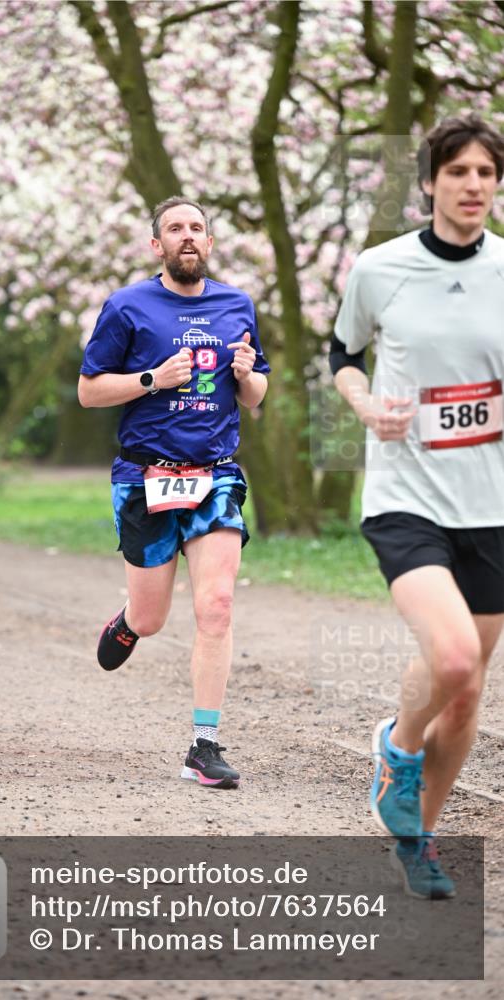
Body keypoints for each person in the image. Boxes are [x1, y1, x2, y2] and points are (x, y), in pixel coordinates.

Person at [331, 114, 504, 897]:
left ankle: (417, 842)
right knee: (455, 656)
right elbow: (343, 352)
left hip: (490, 503)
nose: (472, 185)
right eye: (457, 171)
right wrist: (365, 405)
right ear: (429, 182)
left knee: (464, 695)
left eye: (485, 172)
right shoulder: (381, 268)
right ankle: (396, 748)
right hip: (405, 497)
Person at [78, 196, 269, 789]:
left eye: (197, 227)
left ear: (209, 242)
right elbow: (88, 391)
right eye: (175, 228)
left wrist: (247, 376)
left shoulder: (237, 305)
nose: (188, 236)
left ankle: (202, 747)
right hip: (145, 476)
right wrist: (151, 379)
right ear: (156, 245)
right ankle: (131, 620)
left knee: (217, 605)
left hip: (215, 474)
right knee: (153, 616)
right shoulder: (127, 306)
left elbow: (255, 396)